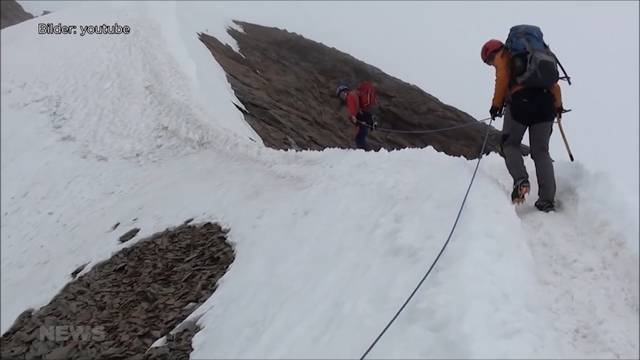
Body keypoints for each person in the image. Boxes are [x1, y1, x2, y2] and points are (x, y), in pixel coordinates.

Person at [481, 39, 564, 212]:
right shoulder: (538, 58)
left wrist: (496, 105)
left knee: (510, 144)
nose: (491, 64)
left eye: (489, 61)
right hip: (546, 104)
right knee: (541, 151)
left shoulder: (504, 55)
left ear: (492, 52)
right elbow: (555, 86)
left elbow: (502, 77)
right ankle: (547, 200)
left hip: (520, 103)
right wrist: (558, 107)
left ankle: (521, 180)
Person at [336, 82, 378, 150]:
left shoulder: (350, 96)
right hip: (365, 118)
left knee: (359, 139)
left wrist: (353, 116)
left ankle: (365, 153)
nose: (342, 97)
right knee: (360, 137)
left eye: (341, 94)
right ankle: (372, 122)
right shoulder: (355, 94)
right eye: (340, 96)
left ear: (345, 92)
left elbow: (352, 108)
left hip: (363, 120)